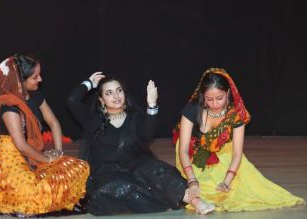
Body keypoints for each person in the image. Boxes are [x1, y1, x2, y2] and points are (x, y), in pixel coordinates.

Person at [67, 72, 215, 215]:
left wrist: (152, 105)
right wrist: (89, 84)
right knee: (112, 189)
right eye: (109, 93)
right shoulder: (93, 120)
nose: (116, 96)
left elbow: (148, 135)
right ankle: (167, 201)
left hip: (135, 164)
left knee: (160, 172)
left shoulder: (134, 118)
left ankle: (194, 200)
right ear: (101, 100)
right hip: (107, 173)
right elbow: (72, 100)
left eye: (119, 90)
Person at [0, 54, 89, 217]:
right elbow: (20, 144)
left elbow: (54, 123)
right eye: (35, 77)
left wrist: (58, 153)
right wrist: (45, 159)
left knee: (78, 168)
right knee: (33, 194)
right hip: (10, 157)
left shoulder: (36, 96)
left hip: (32, 152)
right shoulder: (8, 106)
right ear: (19, 81)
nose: (40, 79)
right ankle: (0, 187)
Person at [175, 67, 305, 212]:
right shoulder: (192, 109)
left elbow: (237, 154)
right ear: (203, 96)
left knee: (229, 191)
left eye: (220, 98)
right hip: (192, 155)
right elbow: (183, 150)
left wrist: (227, 181)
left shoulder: (235, 115)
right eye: (209, 99)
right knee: (199, 189)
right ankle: (198, 198)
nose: (215, 104)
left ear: (228, 93)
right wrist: (192, 181)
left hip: (224, 155)